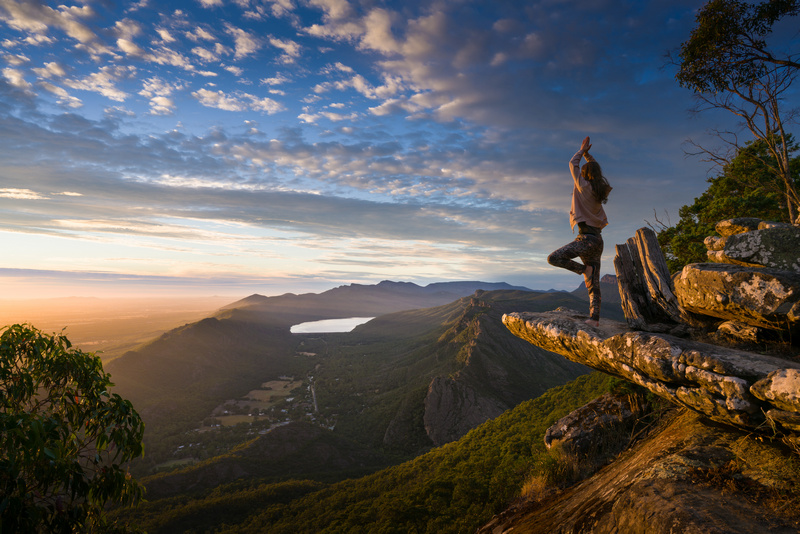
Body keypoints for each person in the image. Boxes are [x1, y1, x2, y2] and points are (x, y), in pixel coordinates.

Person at [547, 136, 612, 327]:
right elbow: (595, 172)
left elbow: (572, 164)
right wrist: (589, 157)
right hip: (597, 241)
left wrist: (580, 151)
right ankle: (594, 319)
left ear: (583, 175)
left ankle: (584, 270)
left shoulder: (582, 186)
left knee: (554, 258)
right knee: (594, 284)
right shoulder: (602, 189)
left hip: (585, 239)